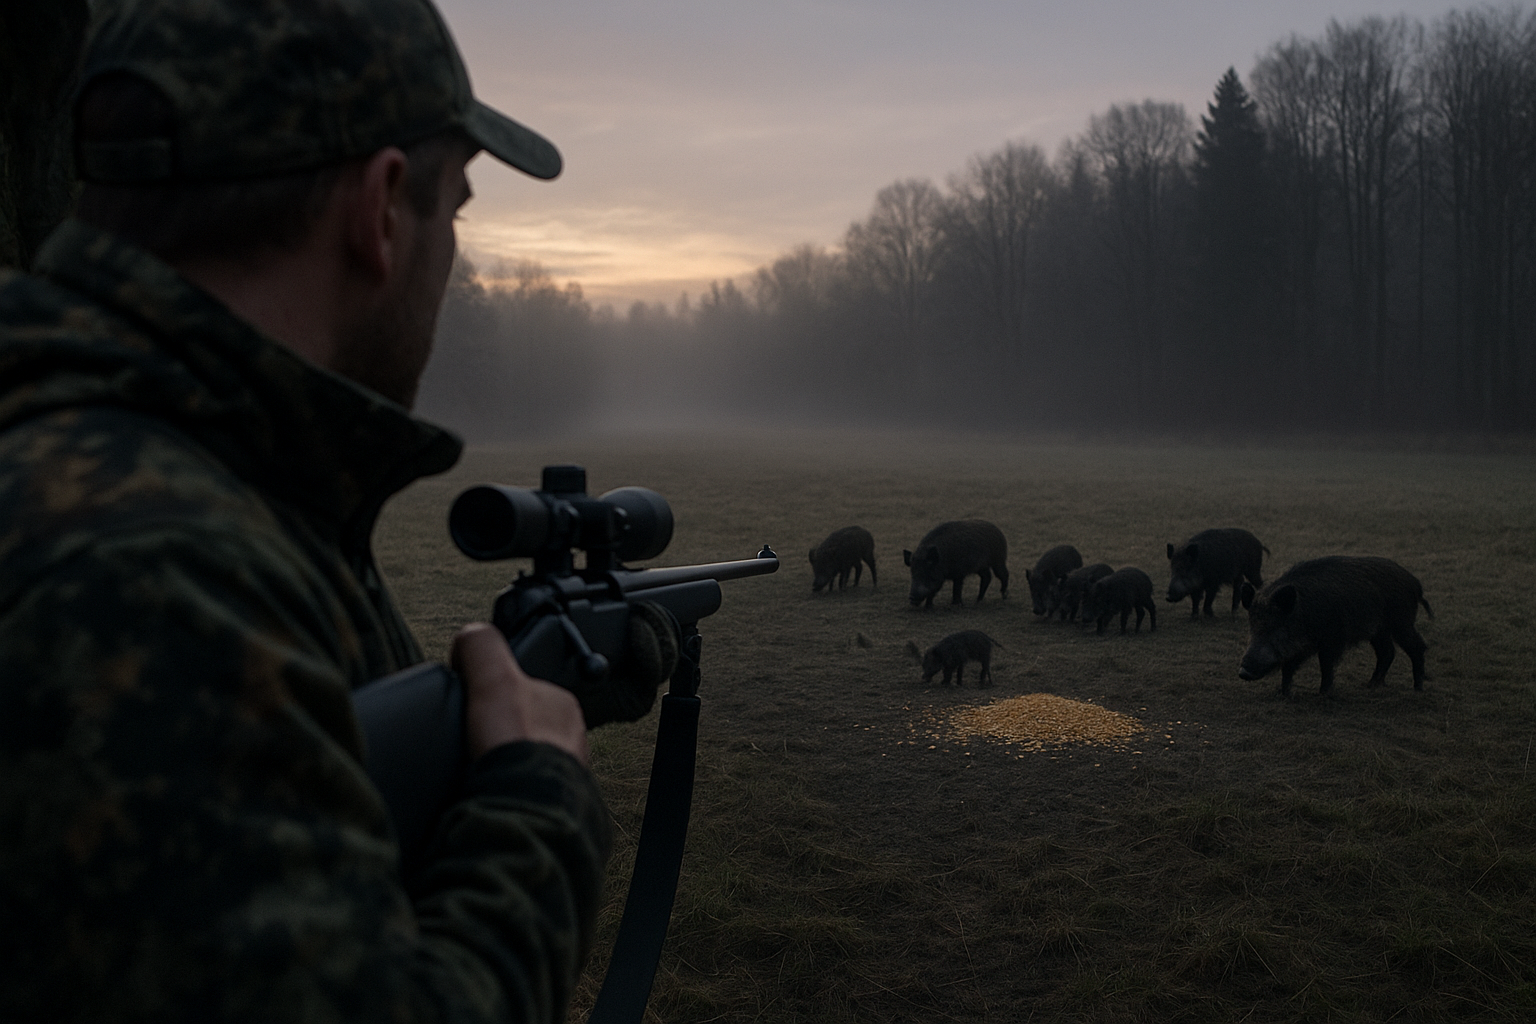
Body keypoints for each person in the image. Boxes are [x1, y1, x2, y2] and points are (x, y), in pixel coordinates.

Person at [0, 0, 612, 1020]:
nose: (450, 251)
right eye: (453, 208)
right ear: (380, 210)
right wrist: (535, 800)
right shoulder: (156, 577)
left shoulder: (125, 459)